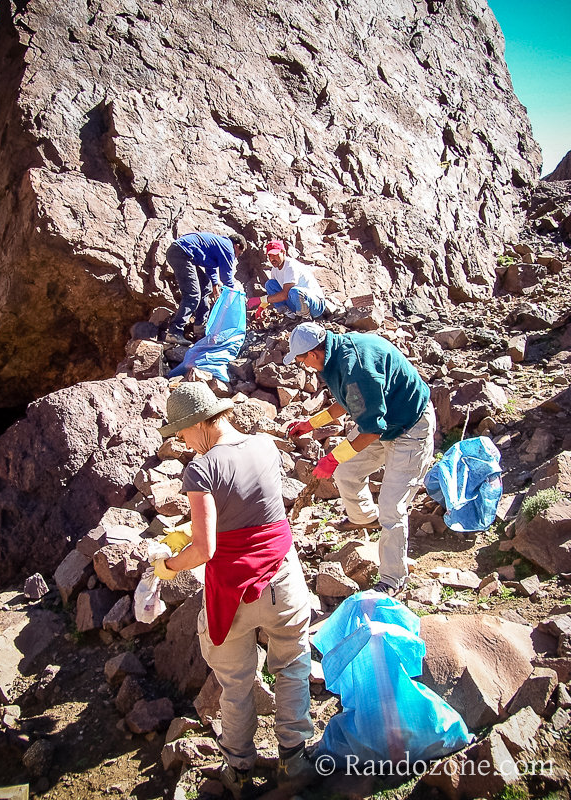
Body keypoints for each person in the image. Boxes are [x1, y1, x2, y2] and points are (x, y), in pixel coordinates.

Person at [157, 382, 315, 796]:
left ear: (199, 425)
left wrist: (169, 566)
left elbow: (206, 548)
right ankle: (294, 756)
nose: (181, 441)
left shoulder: (201, 468)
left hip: (233, 591)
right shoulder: (264, 445)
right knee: (293, 664)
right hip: (282, 578)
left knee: (236, 682)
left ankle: (239, 768)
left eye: (181, 432)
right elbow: (254, 510)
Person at [284, 322, 436, 596]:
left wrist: (331, 459)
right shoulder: (334, 357)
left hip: (410, 426)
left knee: (391, 507)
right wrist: (311, 423)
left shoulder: (356, 368)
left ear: (314, 354)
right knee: (347, 473)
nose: (303, 366)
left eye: (301, 360)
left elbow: (371, 429)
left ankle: (393, 579)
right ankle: (365, 518)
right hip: (382, 423)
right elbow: (349, 400)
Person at [165, 232, 247, 346]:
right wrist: (233, 296)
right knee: (193, 295)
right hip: (182, 254)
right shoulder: (228, 247)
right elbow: (226, 276)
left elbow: (210, 268)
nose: (236, 256)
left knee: (205, 286)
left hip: (180, 252)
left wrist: (214, 285)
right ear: (237, 246)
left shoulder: (219, 244)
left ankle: (199, 327)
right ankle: (174, 332)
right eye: (239, 254)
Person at [247, 240, 325, 320]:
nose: (272, 258)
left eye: (275, 255)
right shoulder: (275, 269)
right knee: (270, 284)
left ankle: (306, 317)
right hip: (296, 303)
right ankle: (289, 315)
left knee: (294, 291)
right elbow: (274, 293)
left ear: (283, 252)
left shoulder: (290, 266)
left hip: (315, 305)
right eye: (270, 255)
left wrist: (260, 300)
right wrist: (261, 307)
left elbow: (285, 294)